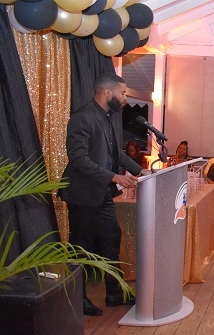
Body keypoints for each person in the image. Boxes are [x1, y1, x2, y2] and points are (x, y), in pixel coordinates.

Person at [59, 74, 147, 316]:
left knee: (111, 238)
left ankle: (115, 292)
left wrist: (141, 171)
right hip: (83, 195)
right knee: (81, 247)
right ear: (108, 92)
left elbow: (116, 154)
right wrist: (113, 177)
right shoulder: (82, 118)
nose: (125, 98)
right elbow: (78, 159)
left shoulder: (108, 118)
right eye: (123, 93)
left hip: (103, 194)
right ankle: (77, 299)